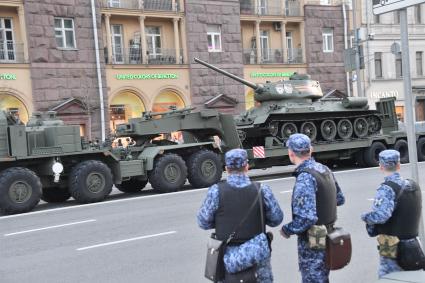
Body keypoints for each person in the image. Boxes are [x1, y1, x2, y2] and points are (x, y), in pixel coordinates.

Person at [197, 148, 283, 282]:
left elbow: (203, 222)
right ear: (247, 166)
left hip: (228, 259)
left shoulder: (216, 191)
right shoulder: (261, 190)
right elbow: (276, 219)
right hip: (257, 258)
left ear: (227, 168)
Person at [280, 133, 345, 283]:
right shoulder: (324, 169)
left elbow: (306, 218)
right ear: (311, 149)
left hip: (313, 241)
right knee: (323, 277)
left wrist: (287, 229)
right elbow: (340, 199)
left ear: (291, 153)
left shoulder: (305, 177)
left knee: (313, 278)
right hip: (328, 234)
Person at [361, 149, 422, 278]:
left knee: (388, 277)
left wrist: (366, 217)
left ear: (381, 166)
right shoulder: (412, 185)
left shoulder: (387, 189)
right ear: (399, 165)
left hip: (392, 245)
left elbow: (381, 216)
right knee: (410, 278)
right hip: (413, 243)